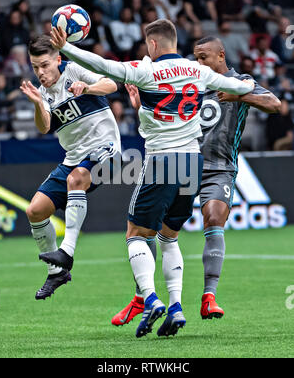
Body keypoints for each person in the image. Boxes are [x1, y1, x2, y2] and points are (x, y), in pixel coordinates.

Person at [49, 20, 254, 338]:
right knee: (168, 237)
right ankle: (175, 307)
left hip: (163, 160)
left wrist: (65, 49)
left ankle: (151, 298)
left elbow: (101, 65)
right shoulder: (197, 71)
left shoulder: (144, 70)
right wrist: (246, 87)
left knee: (135, 233)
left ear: (153, 45)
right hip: (192, 163)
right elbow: (242, 88)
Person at [111, 35, 281, 329]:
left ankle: (208, 297)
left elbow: (274, 104)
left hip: (219, 167)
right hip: (185, 163)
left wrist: (241, 96)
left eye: (204, 57)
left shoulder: (239, 81)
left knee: (213, 216)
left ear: (221, 56)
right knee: (153, 231)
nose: (198, 62)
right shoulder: (193, 81)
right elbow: (165, 114)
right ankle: (142, 298)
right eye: (196, 57)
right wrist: (143, 105)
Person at [20, 35, 120, 300]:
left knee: (75, 180)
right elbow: (43, 128)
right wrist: (37, 104)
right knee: (35, 211)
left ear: (58, 59)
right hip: (74, 157)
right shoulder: (42, 93)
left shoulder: (74, 70)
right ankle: (57, 272)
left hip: (106, 148)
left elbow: (110, 84)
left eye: (44, 65)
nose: (40, 72)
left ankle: (67, 251)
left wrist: (87, 89)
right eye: (35, 67)